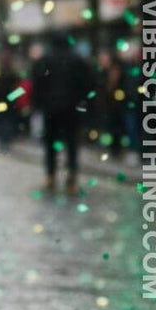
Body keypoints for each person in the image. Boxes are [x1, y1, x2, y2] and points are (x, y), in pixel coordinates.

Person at [31, 34, 94, 194]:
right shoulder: (77, 60)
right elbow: (87, 83)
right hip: (71, 109)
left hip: (50, 109)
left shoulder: (45, 60)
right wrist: (83, 103)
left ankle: (50, 175)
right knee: (72, 144)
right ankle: (71, 178)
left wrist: (38, 104)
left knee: (50, 144)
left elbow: (37, 84)